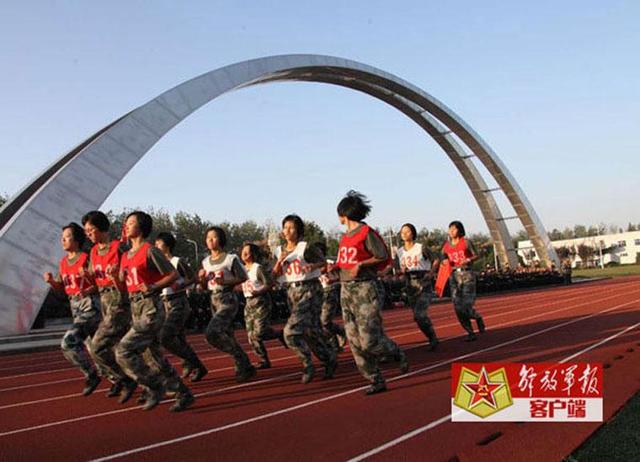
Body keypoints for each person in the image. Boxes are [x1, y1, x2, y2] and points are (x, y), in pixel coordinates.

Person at [114, 211, 195, 412]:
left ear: (141, 227)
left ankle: (154, 386)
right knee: (152, 357)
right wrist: (115, 276)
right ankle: (183, 393)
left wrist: (153, 286)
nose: (126, 226)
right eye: (126, 223)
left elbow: (173, 275)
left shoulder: (150, 251)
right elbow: (123, 286)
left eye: (131, 222)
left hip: (150, 307)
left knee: (123, 350)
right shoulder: (125, 256)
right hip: (135, 307)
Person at [333, 191, 409, 395]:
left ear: (343, 214)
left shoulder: (366, 232)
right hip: (346, 290)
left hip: (365, 289)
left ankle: (395, 352)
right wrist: (334, 270)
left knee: (368, 340)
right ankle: (375, 379)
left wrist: (362, 264)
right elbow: (344, 262)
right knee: (354, 341)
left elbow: (382, 255)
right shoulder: (344, 238)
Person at [272, 215, 337, 384]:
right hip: (291, 291)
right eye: (285, 227)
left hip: (309, 289)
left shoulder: (305, 247)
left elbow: (323, 262)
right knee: (311, 331)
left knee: (290, 332)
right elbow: (274, 275)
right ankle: (329, 358)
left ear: (299, 230)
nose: (287, 231)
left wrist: (311, 266)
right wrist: (279, 261)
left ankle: (308, 365)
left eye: (291, 227)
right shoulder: (279, 251)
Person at [82, 210, 137, 403]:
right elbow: (94, 278)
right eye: (86, 231)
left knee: (97, 346)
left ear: (102, 228)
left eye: (91, 230)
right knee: (117, 346)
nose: (88, 234)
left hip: (119, 300)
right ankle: (135, 380)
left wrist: (116, 276)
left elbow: (132, 272)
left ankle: (126, 379)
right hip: (103, 300)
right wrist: (86, 279)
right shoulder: (93, 252)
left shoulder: (118, 248)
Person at [43, 223, 102, 396]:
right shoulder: (63, 263)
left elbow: (101, 283)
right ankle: (121, 379)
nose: (63, 240)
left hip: (90, 306)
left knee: (69, 343)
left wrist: (88, 287)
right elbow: (62, 290)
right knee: (97, 349)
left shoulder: (86, 258)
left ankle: (92, 375)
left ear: (76, 240)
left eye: (67, 236)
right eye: (62, 237)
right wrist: (52, 282)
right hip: (75, 309)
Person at [198, 226, 256, 383]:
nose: (210, 240)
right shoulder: (205, 262)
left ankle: (241, 358)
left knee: (212, 333)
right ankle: (244, 367)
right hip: (213, 299)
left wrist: (226, 282)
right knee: (227, 334)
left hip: (227, 298)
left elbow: (243, 277)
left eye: (214, 237)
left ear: (221, 239)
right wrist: (202, 280)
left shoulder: (230, 259)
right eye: (208, 237)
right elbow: (204, 286)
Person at [154, 232, 208, 382]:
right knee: (178, 337)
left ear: (167, 245)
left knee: (166, 335)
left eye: (159, 243)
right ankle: (189, 364)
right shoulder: (157, 263)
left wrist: (181, 284)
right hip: (163, 302)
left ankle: (197, 365)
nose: (156, 246)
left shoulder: (177, 261)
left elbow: (193, 277)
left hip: (177, 301)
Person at [240, 242, 285, 369]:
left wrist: (259, 291)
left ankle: (279, 334)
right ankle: (263, 360)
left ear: (253, 255)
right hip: (248, 303)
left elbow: (269, 283)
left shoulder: (257, 268)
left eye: (247, 252)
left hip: (261, 301)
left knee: (259, 332)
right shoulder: (241, 269)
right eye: (243, 252)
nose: (244, 254)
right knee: (251, 336)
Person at [439, 220, 486, 341]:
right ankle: (470, 332)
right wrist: (444, 260)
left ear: (460, 230)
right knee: (457, 307)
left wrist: (469, 259)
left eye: (454, 229)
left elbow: (476, 255)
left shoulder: (466, 242)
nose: (451, 231)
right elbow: (442, 256)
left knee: (466, 304)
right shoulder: (446, 245)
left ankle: (477, 317)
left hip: (467, 274)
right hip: (454, 276)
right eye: (450, 229)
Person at [395, 223, 439, 350]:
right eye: (402, 232)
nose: (404, 234)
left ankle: (433, 338)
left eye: (407, 231)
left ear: (413, 233)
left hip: (423, 282)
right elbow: (396, 269)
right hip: (410, 284)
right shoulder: (399, 252)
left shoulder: (421, 247)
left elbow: (436, 260)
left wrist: (431, 273)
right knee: (417, 316)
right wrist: (400, 271)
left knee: (420, 314)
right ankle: (431, 336)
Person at [313, 242, 347, 352]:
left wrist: (332, 280)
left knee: (324, 321)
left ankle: (339, 335)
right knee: (320, 323)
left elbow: (341, 276)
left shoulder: (330, 263)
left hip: (329, 292)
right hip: (317, 294)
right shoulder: (312, 264)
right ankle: (335, 344)